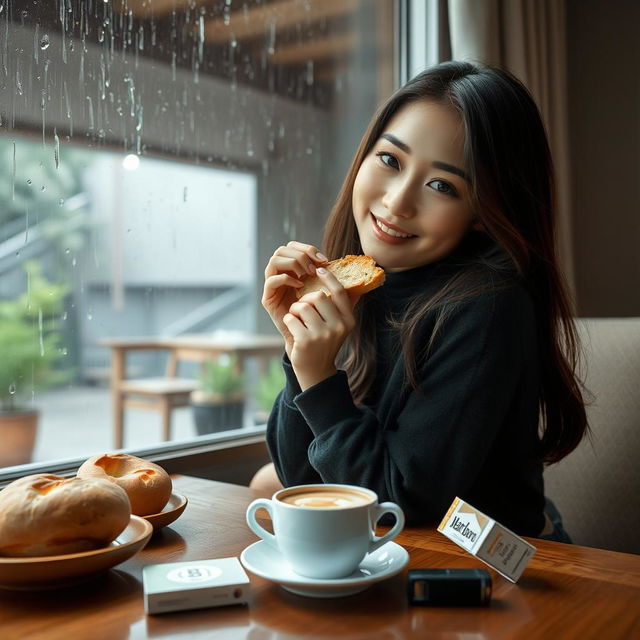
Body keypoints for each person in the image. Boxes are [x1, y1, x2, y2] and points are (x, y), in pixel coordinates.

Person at [257, 60, 587, 541]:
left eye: (442, 186)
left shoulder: (490, 307)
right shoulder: (361, 284)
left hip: (489, 565)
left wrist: (318, 376)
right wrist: (299, 348)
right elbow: (304, 481)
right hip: (397, 553)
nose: (397, 201)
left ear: (482, 212)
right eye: (390, 160)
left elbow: (398, 507)